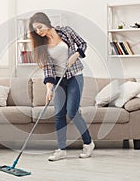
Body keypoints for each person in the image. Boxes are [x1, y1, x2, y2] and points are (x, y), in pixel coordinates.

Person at [29, 12, 95, 161]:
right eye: (36, 30)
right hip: (58, 80)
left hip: (74, 76)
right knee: (59, 114)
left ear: (47, 22)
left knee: (72, 112)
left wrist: (76, 55)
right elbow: (48, 69)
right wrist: (49, 88)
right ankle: (61, 149)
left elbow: (83, 44)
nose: (39, 31)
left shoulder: (66, 31)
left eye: (40, 27)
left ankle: (88, 143)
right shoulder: (42, 45)